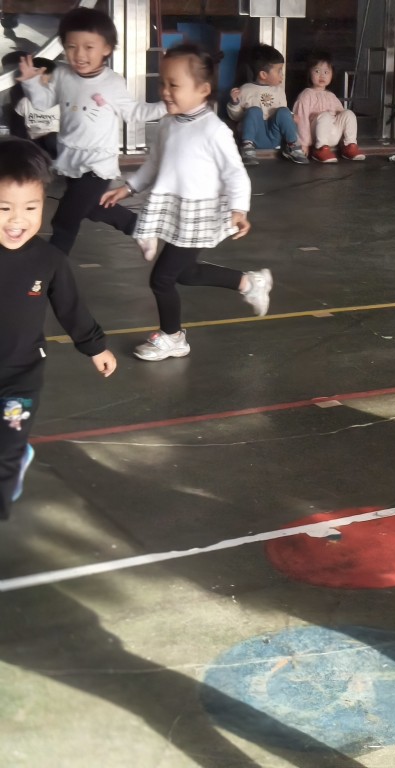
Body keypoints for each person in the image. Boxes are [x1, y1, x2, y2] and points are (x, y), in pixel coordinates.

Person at [100, 44, 272, 362]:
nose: (165, 91)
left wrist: (239, 209)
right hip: (175, 212)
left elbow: (235, 173)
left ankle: (173, 337)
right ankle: (249, 282)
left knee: (162, 278)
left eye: (174, 85)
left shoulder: (214, 130)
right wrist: (128, 189)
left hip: (199, 215)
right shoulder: (168, 124)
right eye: (162, 83)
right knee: (186, 273)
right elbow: (154, 164)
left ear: (203, 89)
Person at [0, 139, 116, 518]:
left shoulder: (48, 260)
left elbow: (70, 307)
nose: (17, 220)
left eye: (30, 208)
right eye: (4, 208)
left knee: (6, 448)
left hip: (20, 375)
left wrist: (95, 346)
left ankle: (8, 479)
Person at [16, 6, 166, 255]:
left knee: (65, 220)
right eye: (71, 46)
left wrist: (166, 106)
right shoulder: (62, 75)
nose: (79, 54)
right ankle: (138, 226)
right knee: (91, 206)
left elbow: (134, 112)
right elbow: (43, 102)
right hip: (71, 159)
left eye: (88, 47)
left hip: (98, 164)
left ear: (106, 48)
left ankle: (52, 267)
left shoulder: (112, 82)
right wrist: (32, 82)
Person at [227, 43, 308, 167]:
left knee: (283, 111)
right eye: (279, 71)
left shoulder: (279, 91)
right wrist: (234, 102)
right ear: (263, 75)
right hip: (255, 135)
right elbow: (236, 116)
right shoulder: (246, 90)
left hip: (274, 136)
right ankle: (247, 147)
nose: (282, 75)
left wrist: (291, 116)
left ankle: (292, 146)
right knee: (254, 111)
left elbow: (282, 114)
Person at [292, 52, 365, 163]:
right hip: (316, 136)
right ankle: (320, 149)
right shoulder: (306, 95)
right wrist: (304, 144)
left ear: (331, 75)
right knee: (325, 116)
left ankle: (349, 145)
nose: (322, 76)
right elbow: (301, 121)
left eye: (326, 72)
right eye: (317, 71)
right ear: (309, 73)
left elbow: (342, 117)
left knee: (348, 113)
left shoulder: (331, 96)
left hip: (333, 135)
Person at [1, 53, 59, 159]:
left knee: (52, 139)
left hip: (57, 142)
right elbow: (17, 129)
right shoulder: (23, 103)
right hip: (35, 143)